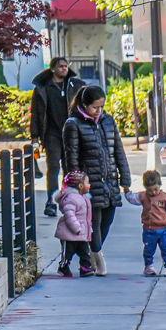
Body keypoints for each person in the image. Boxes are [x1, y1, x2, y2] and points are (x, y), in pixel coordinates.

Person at [61, 83, 131, 276]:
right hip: (88, 183)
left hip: (109, 180)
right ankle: (98, 259)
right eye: (95, 107)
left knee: (108, 219)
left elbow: (118, 151)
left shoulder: (108, 121)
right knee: (94, 222)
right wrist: (77, 183)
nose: (99, 111)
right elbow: (71, 157)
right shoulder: (73, 124)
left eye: (102, 106)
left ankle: (90, 255)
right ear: (84, 105)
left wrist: (125, 178)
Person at [29, 55, 85, 216]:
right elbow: (36, 114)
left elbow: (84, 107)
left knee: (70, 169)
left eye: (66, 66)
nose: (64, 68)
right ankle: (51, 202)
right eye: (61, 66)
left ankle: (68, 201)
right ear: (53, 69)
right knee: (53, 167)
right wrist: (35, 136)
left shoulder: (75, 86)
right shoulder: (43, 88)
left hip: (70, 133)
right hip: (51, 134)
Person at [138, 169, 166, 276]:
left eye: (155, 189)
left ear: (160, 185)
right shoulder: (143, 196)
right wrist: (126, 191)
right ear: (145, 188)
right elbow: (133, 198)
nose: (153, 193)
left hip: (163, 229)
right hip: (148, 230)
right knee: (148, 249)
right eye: (149, 190)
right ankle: (149, 266)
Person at [54, 171, 94, 278]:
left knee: (85, 252)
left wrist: (87, 228)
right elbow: (69, 215)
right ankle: (63, 267)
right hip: (70, 233)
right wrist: (77, 228)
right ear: (80, 186)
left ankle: (85, 267)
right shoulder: (71, 198)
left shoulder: (83, 197)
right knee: (68, 253)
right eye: (87, 182)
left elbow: (86, 217)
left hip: (81, 233)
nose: (89, 185)